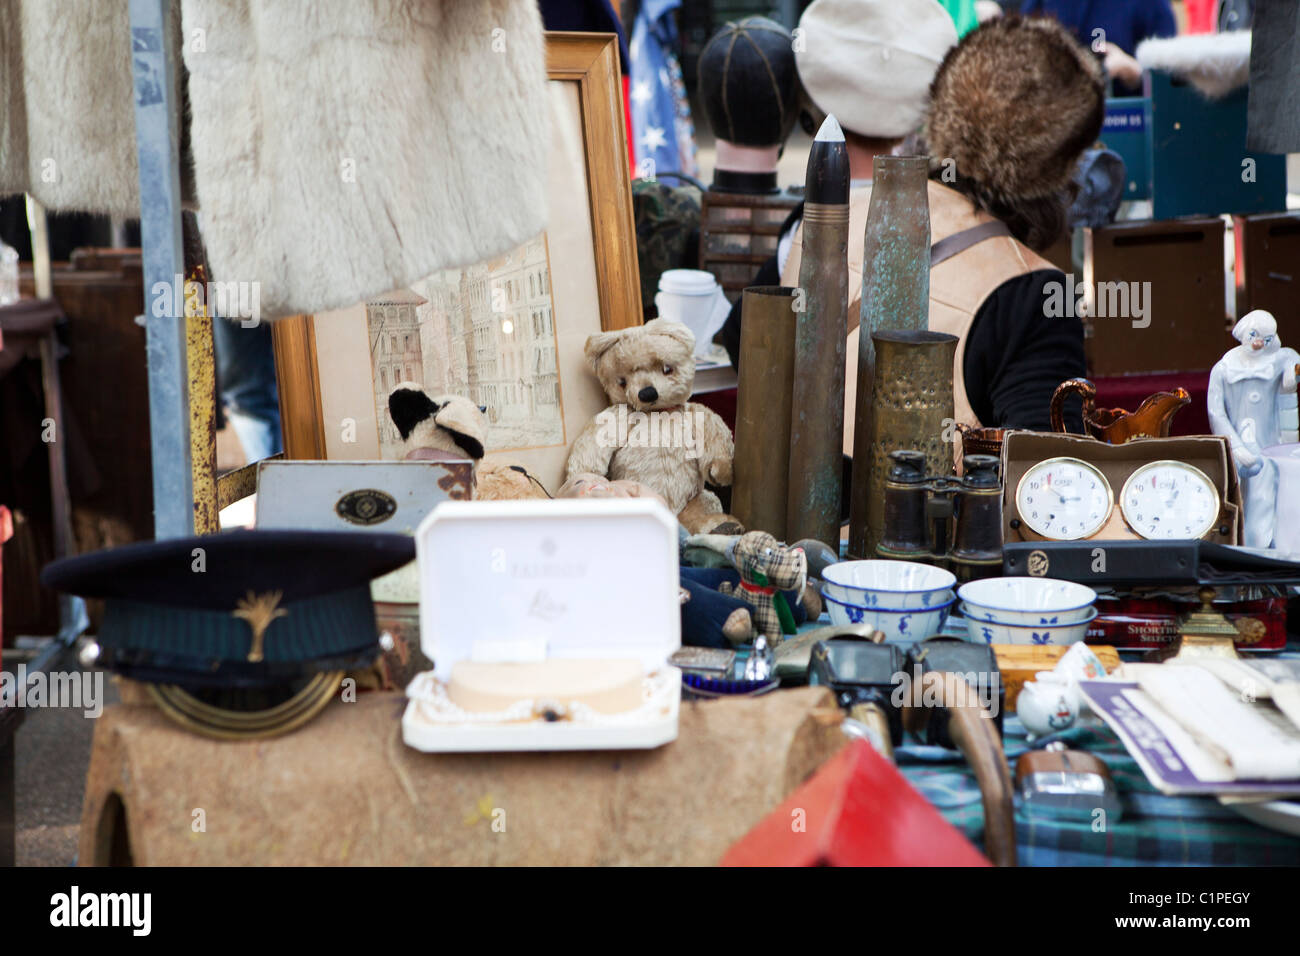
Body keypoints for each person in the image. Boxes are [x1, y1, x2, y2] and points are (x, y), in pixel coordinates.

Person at [1020, 0, 1177, 94]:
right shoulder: (1039, 3)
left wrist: (1136, 73)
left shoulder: (1151, 5)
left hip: (1126, 123)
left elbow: (1171, 84)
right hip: (1057, 124)